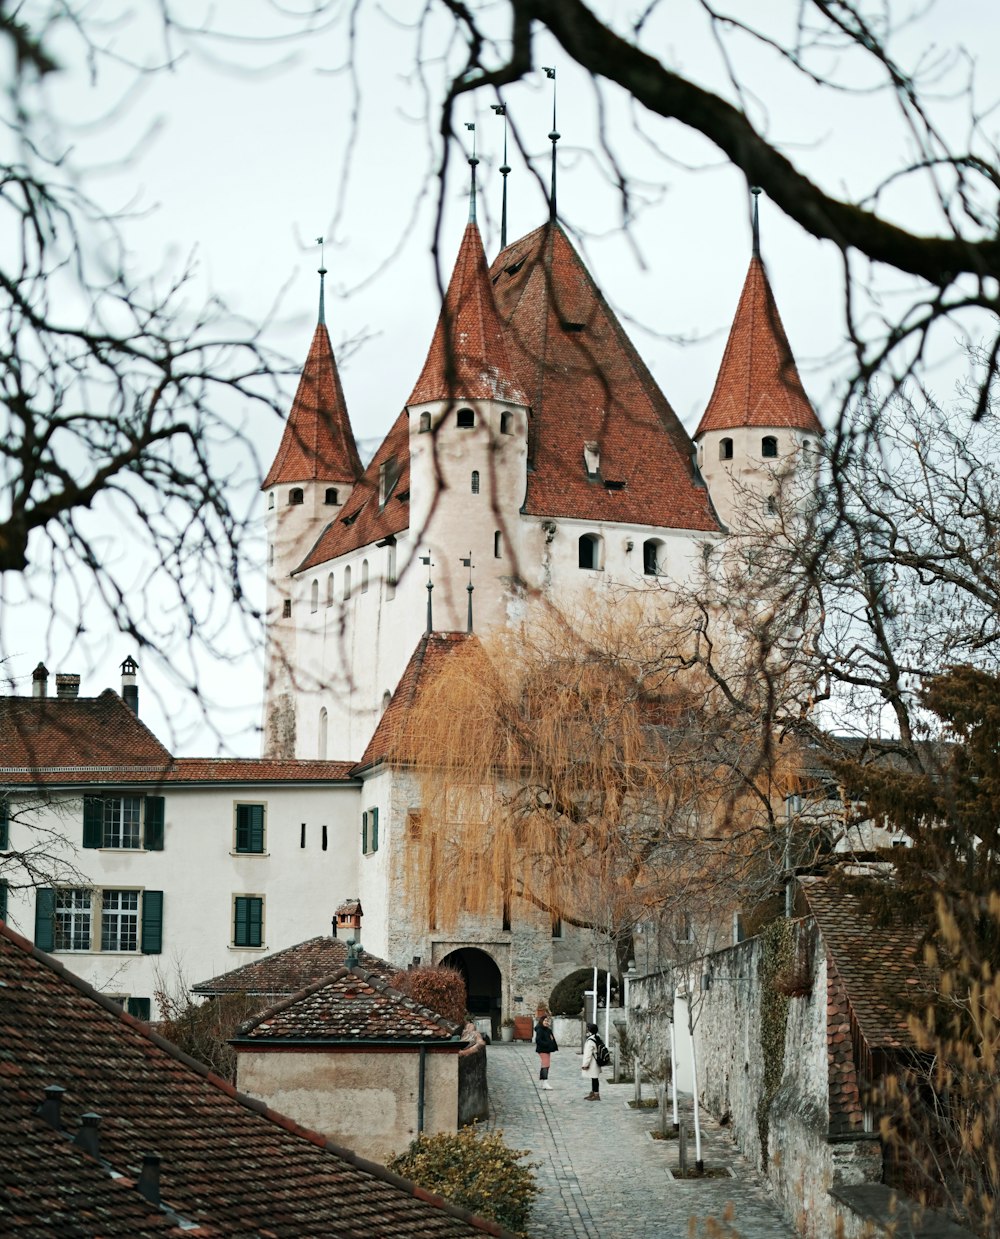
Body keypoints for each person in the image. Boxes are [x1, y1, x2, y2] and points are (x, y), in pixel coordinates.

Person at [581, 1022, 605, 1100]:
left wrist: (585, 1065)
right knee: (594, 1078)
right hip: (596, 1061)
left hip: (592, 1063)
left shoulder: (590, 1040)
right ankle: (593, 1092)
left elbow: (588, 1054)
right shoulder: (597, 1037)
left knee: (594, 1079)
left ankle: (596, 1094)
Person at [534, 1013, 558, 1090]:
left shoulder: (547, 1030)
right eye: (545, 1020)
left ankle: (543, 1082)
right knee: (546, 1064)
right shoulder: (540, 1030)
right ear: (541, 1021)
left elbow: (552, 1038)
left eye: (547, 1021)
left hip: (547, 1049)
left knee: (545, 1065)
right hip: (542, 1049)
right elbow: (538, 1040)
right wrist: (547, 1044)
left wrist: (553, 1046)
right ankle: (545, 1082)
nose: (546, 1022)